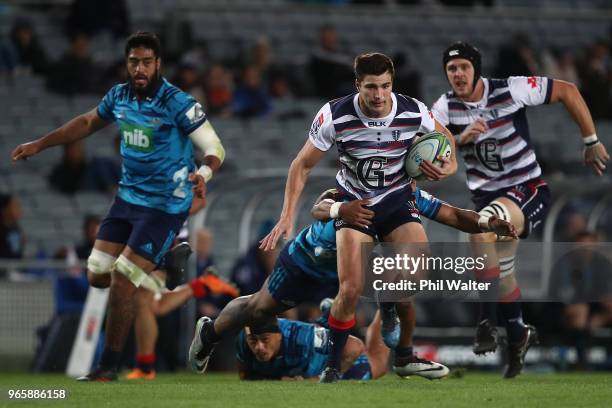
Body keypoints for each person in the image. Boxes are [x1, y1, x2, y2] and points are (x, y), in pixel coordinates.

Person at [11, 31, 225, 381]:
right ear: (127, 64)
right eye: (133, 62)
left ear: (158, 64)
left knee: (125, 280)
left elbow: (214, 145)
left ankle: (108, 367)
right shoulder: (120, 96)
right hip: (126, 200)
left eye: (146, 62)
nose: (139, 68)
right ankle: (168, 260)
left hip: (164, 206)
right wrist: (41, 143)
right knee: (97, 274)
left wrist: (203, 171)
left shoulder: (177, 102)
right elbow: (86, 122)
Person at [261, 52, 457, 383]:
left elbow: (448, 143)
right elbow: (302, 164)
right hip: (355, 203)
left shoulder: (413, 109)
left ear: (392, 83)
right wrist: (286, 216)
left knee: (416, 270)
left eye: (385, 86)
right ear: (358, 86)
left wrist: (445, 168)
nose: (379, 95)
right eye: (371, 88)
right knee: (350, 289)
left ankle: (399, 340)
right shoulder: (334, 114)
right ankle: (333, 366)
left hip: (396, 201)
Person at [188, 185, 516, 380]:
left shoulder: (409, 196)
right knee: (257, 310)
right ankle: (210, 332)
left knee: (407, 271)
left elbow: (456, 216)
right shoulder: (352, 183)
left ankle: (403, 354)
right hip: (307, 261)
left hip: (347, 271)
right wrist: (341, 209)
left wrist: (489, 222)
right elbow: (319, 207)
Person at [431, 41, 610, 378]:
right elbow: (433, 147)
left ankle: (486, 322)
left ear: (476, 69)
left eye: (464, 67)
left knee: (482, 229)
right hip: (486, 197)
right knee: (502, 272)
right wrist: (460, 139)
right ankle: (518, 332)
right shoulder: (444, 108)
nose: (457, 74)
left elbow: (567, 90)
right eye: (451, 69)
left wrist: (590, 140)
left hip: (526, 189)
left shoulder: (511, 90)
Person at [236, 311, 388, 381]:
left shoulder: (302, 336)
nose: (259, 347)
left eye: (265, 340)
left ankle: (387, 306)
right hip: (302, 362)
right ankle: (326, 315)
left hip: (327, 364)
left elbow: (355, 347)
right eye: (253, 341)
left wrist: (316, 378)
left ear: (279, 335)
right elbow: (246, 376)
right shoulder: (243, 340)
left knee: (378, 362)